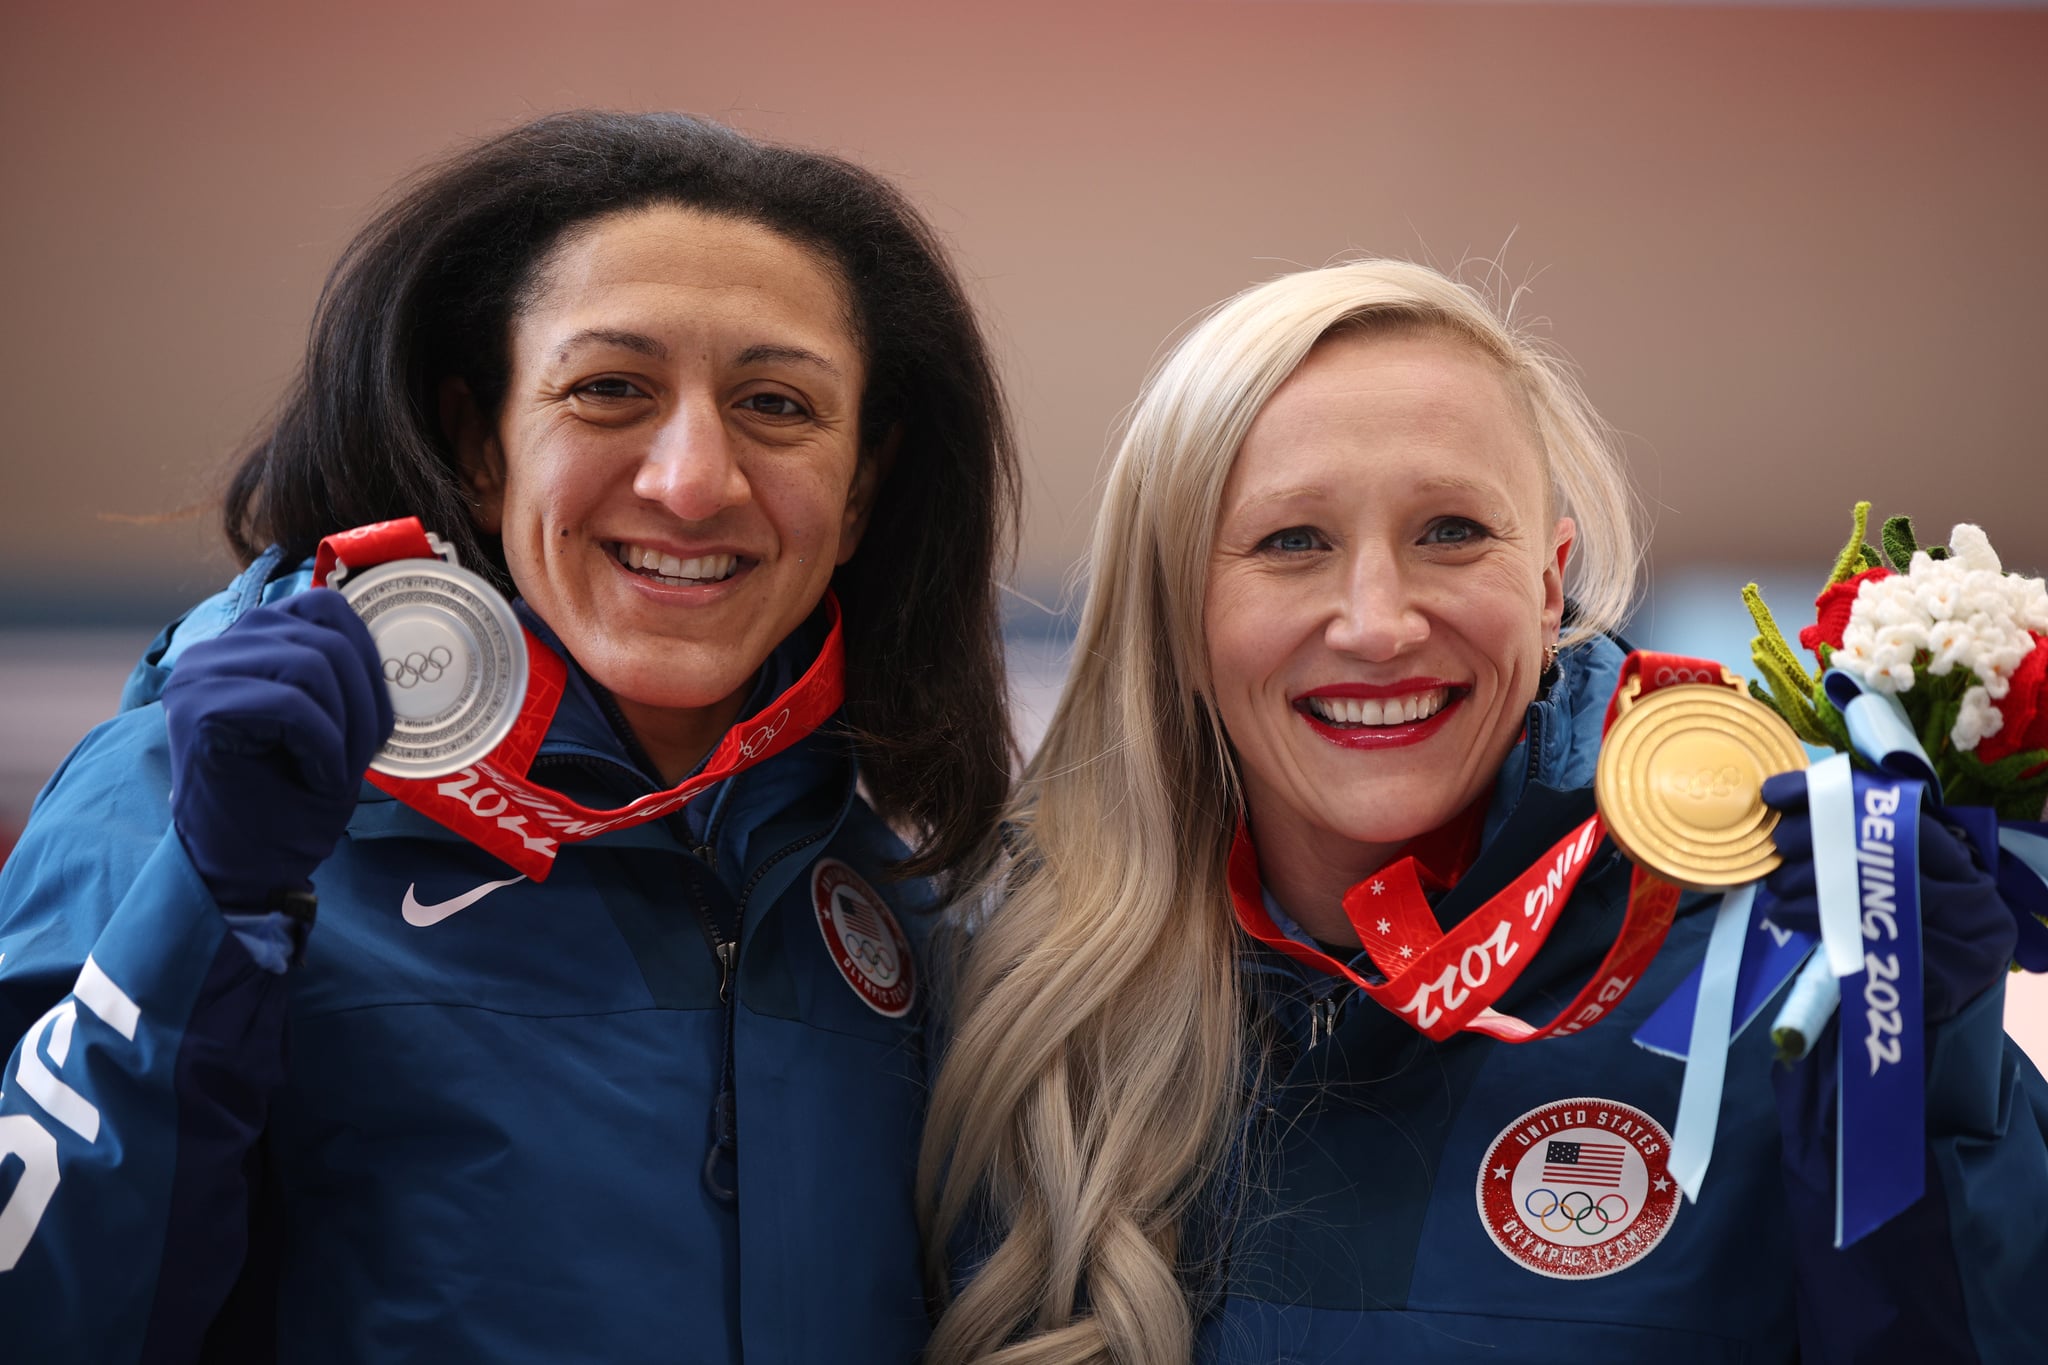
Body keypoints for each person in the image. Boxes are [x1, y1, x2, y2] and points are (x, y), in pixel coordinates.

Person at [0, 110, 1017, 1362]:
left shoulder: (889, 903)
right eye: (608, 390)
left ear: (858, 490)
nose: (691, 480)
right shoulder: (190, 798)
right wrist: (209, 911)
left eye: (774, 403)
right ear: (479, 445)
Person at [920, 260, 2048, 1364]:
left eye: (1450, 531)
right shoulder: (1020, 1008)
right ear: (1178, 607)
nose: (1377, 623)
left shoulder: (1778, 987)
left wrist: (1927, 1088)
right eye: (1290, 542)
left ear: (1548, 579)